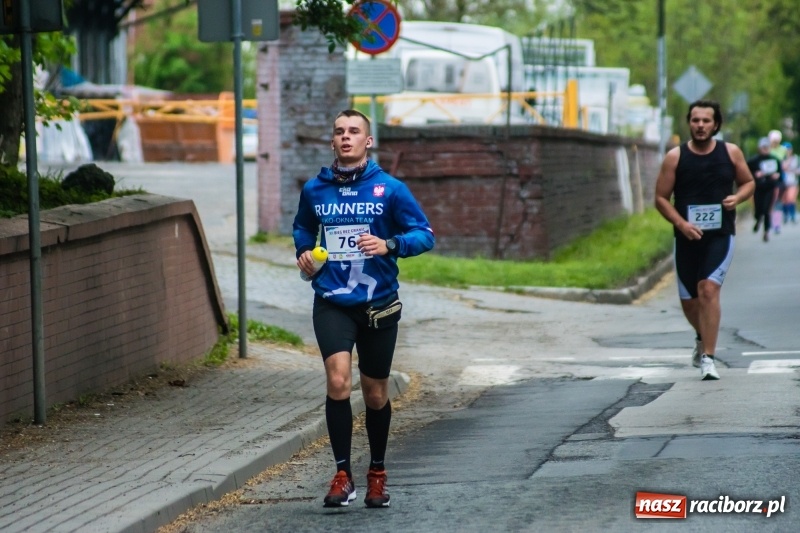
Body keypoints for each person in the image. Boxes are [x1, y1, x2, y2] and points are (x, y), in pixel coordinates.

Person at [293, 109, 435, 508]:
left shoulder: (390, 189)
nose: (346, 137)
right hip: (333, 302)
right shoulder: (315, 190)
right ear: (332, 141)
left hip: (378, 306)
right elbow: (303, 227)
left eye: (354, 131)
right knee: (338, 382)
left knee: (374, 393)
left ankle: (376, 472)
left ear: (368, 141)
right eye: (339, 131)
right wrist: (304, 253)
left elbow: (425, 235)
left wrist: (390, 245)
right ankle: (342, 475)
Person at [654, 100, 754, 381]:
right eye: (695, 120)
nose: (700, 125)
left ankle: (708, 358)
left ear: (716, 124)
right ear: (689, 123)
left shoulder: (730, 153)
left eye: (706, 121)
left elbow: (748, 182)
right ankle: (701, 336)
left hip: (720, 235)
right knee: (690, 302)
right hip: (686, 237)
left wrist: (739, 197)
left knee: (708, 289)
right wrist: (681, 223)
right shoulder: (675, 157)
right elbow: (660, 198)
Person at [747, 137, 782, 242]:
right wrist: (755, 174)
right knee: (759, 209)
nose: (765, 149)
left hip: (770, 187)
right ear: (759, 148)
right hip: (758, 188)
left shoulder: (775, 159)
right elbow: (745, 174)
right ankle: (758, 219)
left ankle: (766, 231)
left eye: (767, 147)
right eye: (763, 147)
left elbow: (780, 174)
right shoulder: (753, 161)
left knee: (767, 209)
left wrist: (777, 176)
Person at [781, 142, 798, 224]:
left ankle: (793, 215)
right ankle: (785, 215)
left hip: (792, 181)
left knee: (791, 198)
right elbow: (783, 168)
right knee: (784, 199)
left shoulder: (795, 158)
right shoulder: (781, 159)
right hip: (783, 181)